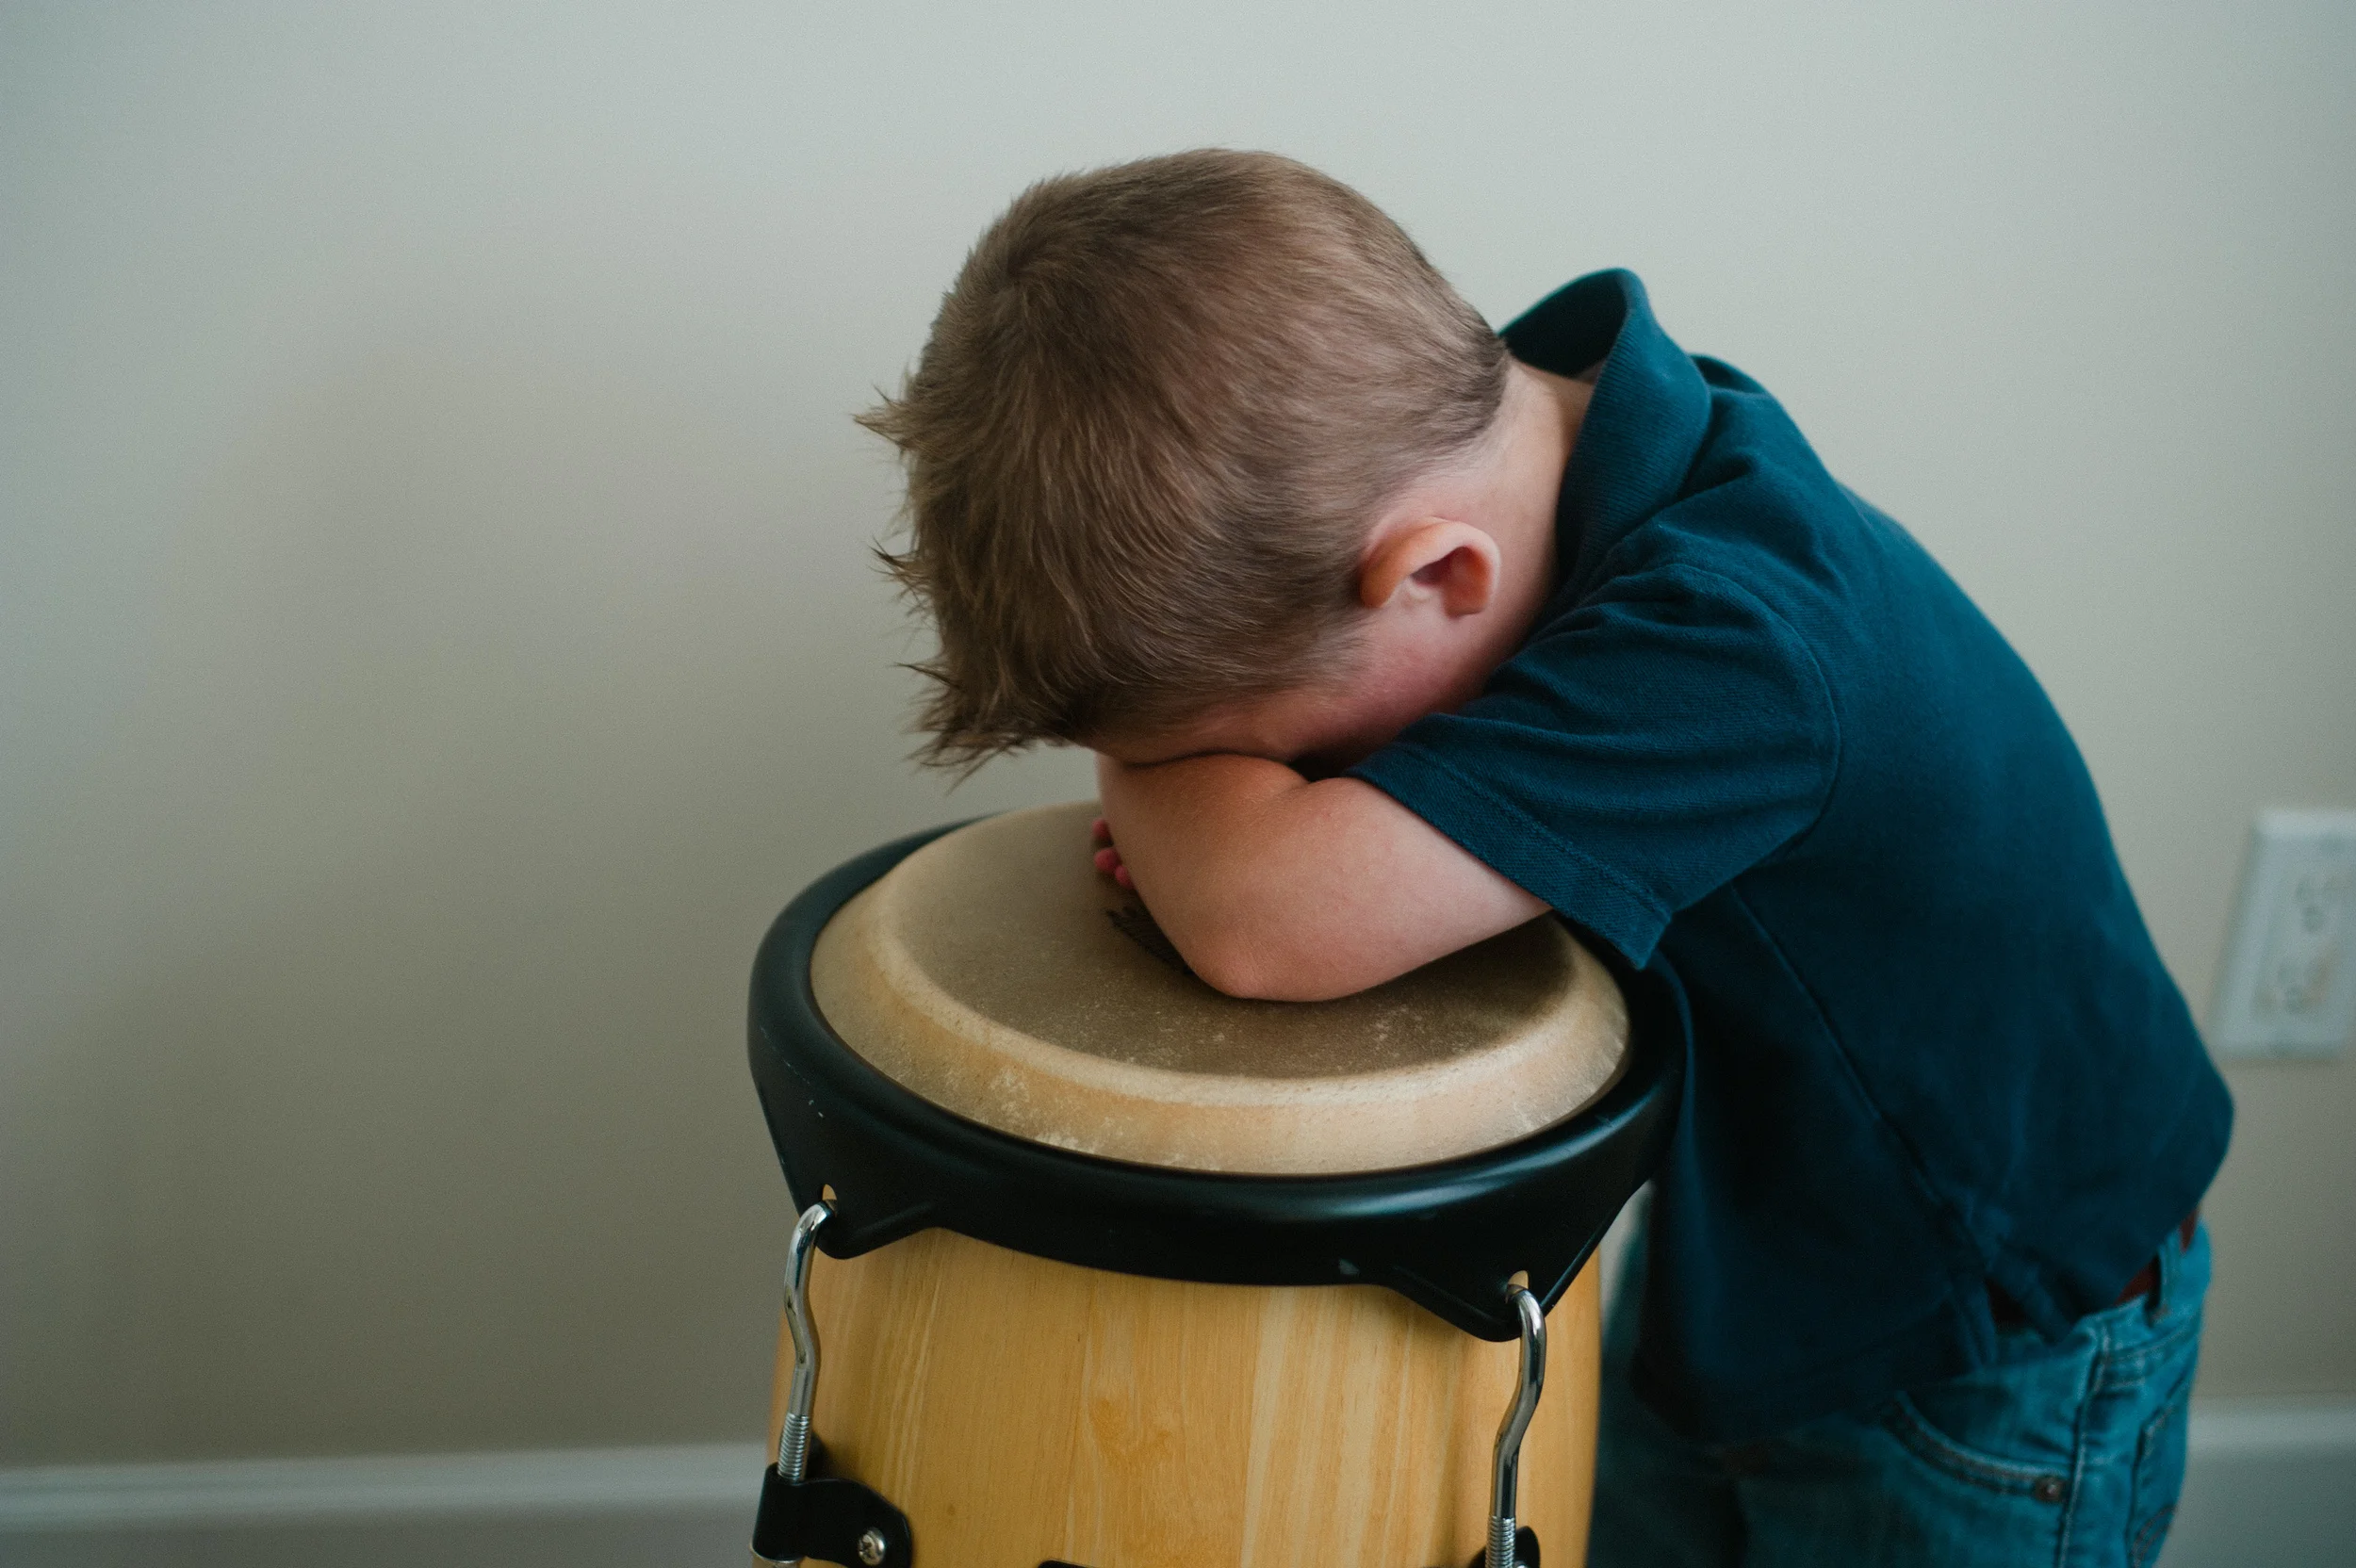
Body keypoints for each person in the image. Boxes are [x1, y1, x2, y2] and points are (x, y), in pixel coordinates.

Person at [855, 148, 2232, 1568]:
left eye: (1252, 749)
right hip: (1757, 1239)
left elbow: (1262, 919)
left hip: (1981, 1338)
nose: (1261, 785)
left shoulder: (1730, 644)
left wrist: (1181, 788)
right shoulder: (1537, 429)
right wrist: (1192, 741)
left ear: (1441, 576)